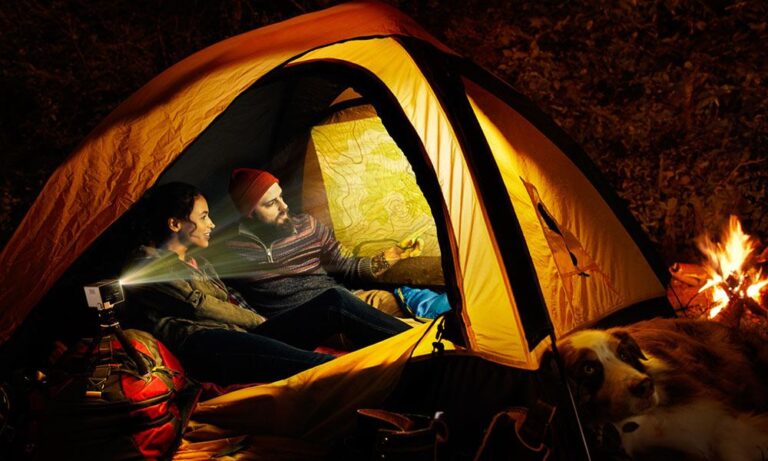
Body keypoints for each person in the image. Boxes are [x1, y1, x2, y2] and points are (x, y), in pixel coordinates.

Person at [121, 182, 409, 385]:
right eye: (204, 217)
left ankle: (419, 346)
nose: (212, 225)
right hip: (207, 343)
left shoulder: (201, 262)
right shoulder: (148, 266)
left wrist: (268, 327)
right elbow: (199, 307)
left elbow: (230, 297)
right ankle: (395, 383)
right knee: (322, 366)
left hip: (243, 333)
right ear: (175, 224)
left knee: (336, 300)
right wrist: (260, 322)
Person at [217, 168, 423, 322]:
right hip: (312, 322)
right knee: (406, 333)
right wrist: (263, 323)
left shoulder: (308, 226)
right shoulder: (232, 252)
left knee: (419, 304)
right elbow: (229, 297)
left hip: (348, 300)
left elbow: (347, 266)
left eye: (281, 197)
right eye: (271, 203)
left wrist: (395, 254)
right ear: (249, 213)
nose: (284, 206)